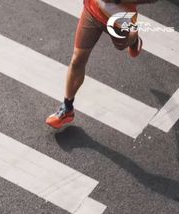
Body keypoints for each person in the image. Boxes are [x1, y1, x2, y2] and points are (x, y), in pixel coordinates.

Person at [46, 0, 157, 129]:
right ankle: (67, 108)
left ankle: (134, 40)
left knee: (121, 46)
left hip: (119, 20)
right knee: (77, 60)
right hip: (92, 10)